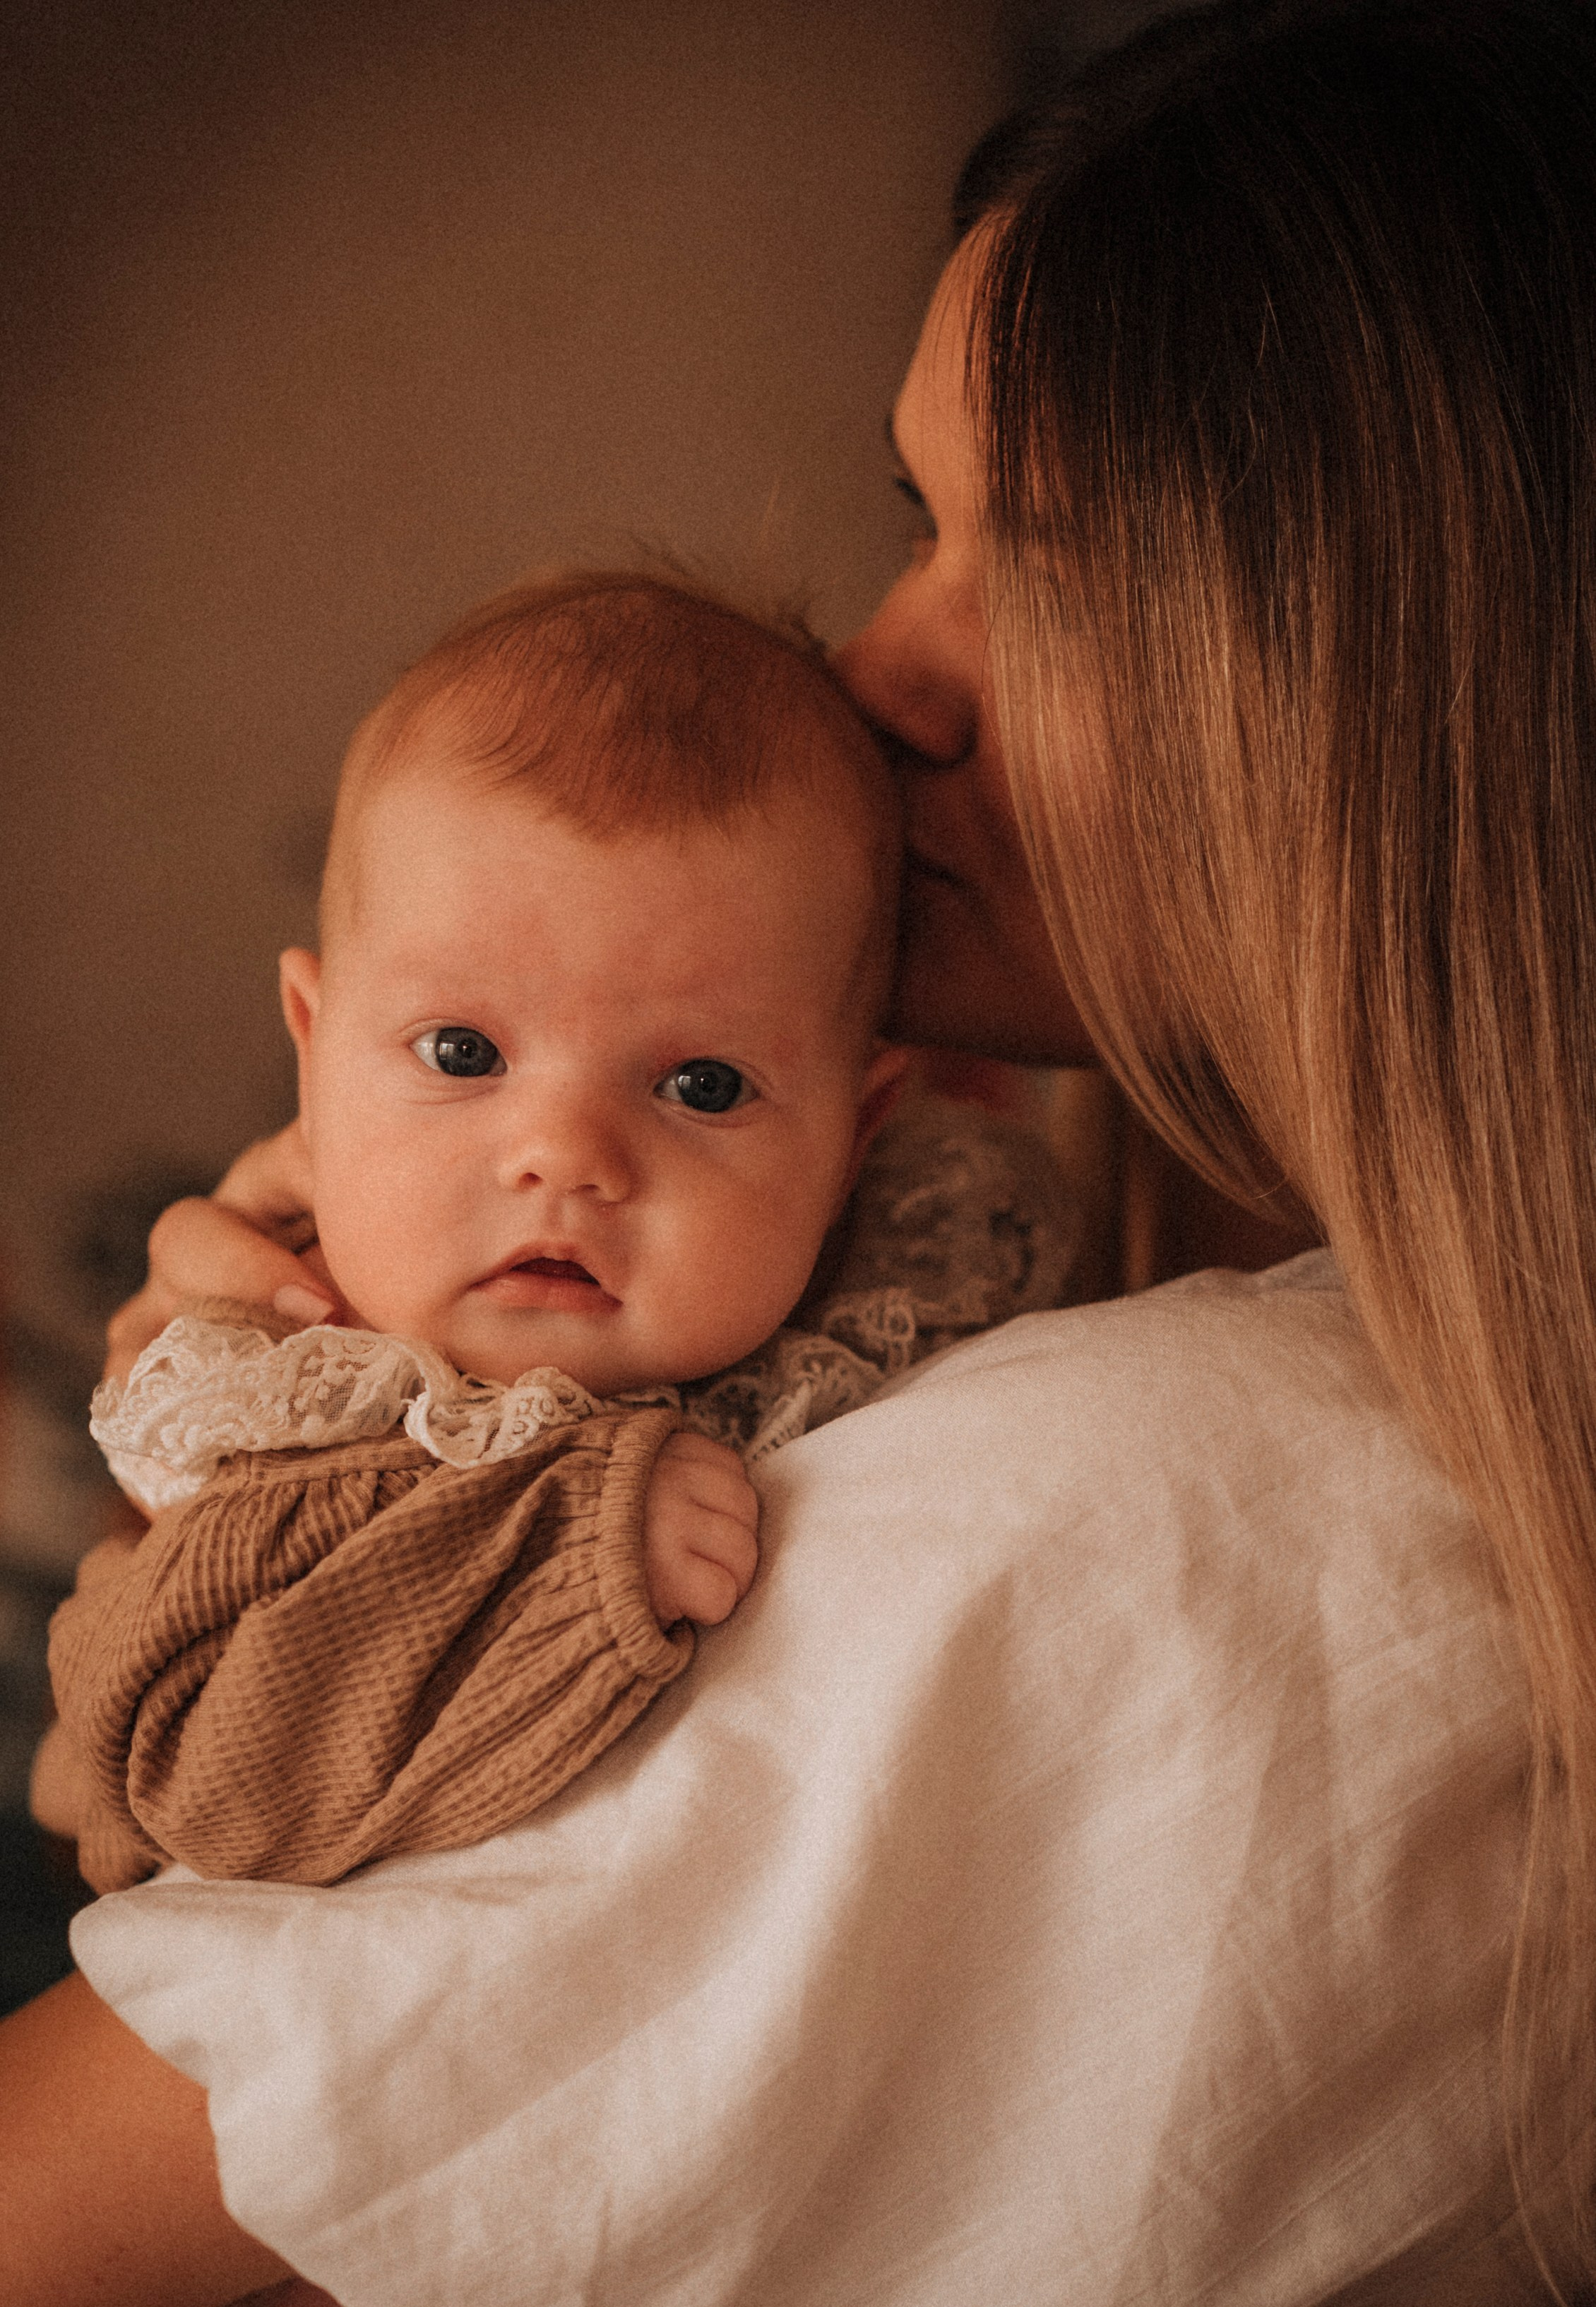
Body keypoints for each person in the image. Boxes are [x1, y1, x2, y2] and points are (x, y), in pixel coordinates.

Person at [4, 2, 1595, 2307]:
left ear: (1410, 663)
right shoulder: (1244, 1361)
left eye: (1050, 564)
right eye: (914, 523)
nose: (879, 676)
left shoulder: (1225, 1499)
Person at [32, 570, 1079, 1902]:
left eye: (703, 1085)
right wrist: (577, 1554)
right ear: (314, 1052)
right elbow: (208, 1781)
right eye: (463, 1051)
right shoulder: (308, 1394)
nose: (567, 1156)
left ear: (854, 1137)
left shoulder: (908, 1290)